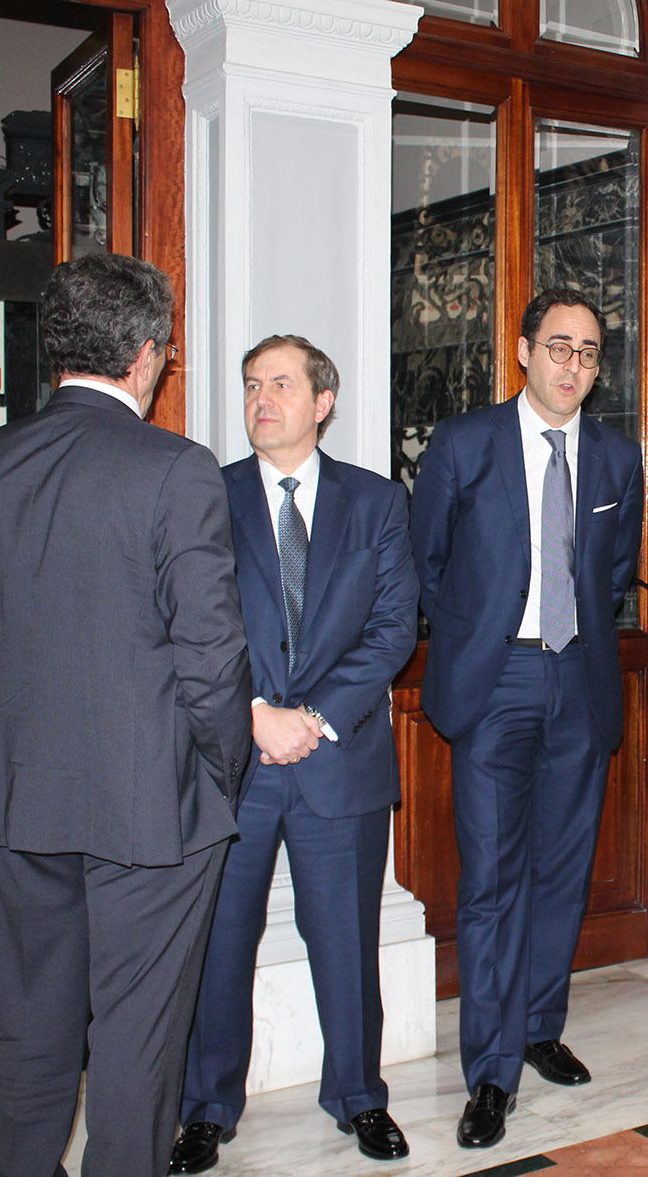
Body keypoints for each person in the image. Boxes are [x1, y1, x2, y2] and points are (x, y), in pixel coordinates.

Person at [0, 253, 252, 1177]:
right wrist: (220, 777)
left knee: (30, 1025)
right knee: (136, 1041)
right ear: (148, 353)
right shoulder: (176, 468)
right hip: (153, 808)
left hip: (25, 800)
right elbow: (213, 657)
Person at [170, 336, 418, 1173]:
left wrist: (312, 717)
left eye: (280, 383)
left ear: (323, 402)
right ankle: (206, 1108)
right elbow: (188, 623)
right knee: (219, 944)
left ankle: (359, 1095)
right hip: (231, 765)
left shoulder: (376, 501)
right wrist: (253, 714)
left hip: (338, 759)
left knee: (346, 941)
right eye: (251, 384)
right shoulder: (206, 495)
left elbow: (393, 628)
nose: (261, 398)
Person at [411, 287, 645, 1149]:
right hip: (495, 679)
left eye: (588, 352)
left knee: (562, 870)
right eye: (558, 346)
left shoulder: (617, 458)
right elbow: (428, 562)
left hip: (579, 678)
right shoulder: (463, 442)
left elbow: (612, 572)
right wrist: (483, 635)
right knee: (491, 880)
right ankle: (491, 1068)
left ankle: (541, 1025)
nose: (573, 365)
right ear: (522, 350)